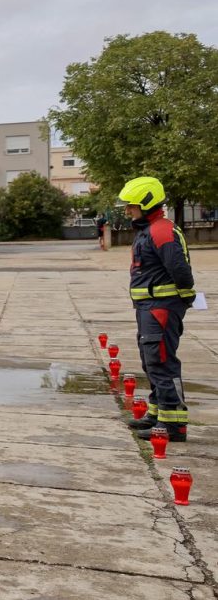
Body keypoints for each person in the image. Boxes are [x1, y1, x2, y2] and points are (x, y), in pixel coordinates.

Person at [122, 176, 195, 442]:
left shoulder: (161, 230)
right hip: (150, 308)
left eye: (131, 205)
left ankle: (174, 424)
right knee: (151, 361)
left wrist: (182, 301)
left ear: (146, 203)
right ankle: (158, 414)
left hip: (160, 308)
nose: (128, 210)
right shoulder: (149, 230)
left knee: (163, 363)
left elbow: (181, 272)